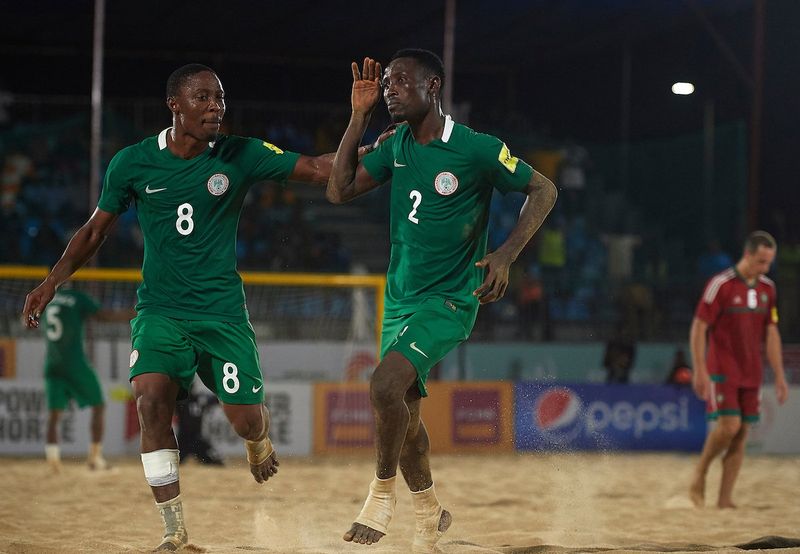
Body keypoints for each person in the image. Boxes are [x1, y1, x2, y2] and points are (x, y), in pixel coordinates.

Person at [22, 63, 351, 551]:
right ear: (174, 105)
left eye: (220, 98)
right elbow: (94, 231)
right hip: (160, 311)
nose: (216, 107)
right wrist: (52, 280)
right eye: (203, 98)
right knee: (150, 401)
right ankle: (174, 532)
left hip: (222, 315)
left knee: (246, 420)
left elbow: (321, 169)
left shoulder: (240, 153)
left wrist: (365, 131)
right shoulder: (132, 163)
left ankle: (257, 439)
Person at [327, 51, 557, 551]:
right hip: (400, 298)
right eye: (386, 83)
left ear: (433, 86)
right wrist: (358, 117)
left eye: (400, 81)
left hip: (451, 299)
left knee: (384, 385)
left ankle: (380, 497)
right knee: (406, 419)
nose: (389, 89)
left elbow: (543, 189)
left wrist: (505, 255)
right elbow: (338, 191)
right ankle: (430, 513)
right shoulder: (396, 144)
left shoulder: (476, 148)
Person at [688, 230, 789, 509]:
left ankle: (724, 499)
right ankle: (700, 472)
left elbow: (772, 333)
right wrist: (699, 368)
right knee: (729, 426)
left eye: (769, 263)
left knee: (742, 433)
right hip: (723, 368)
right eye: (761, 261)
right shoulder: (721, 285)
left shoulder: (768, 289)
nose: (765, 268)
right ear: (747, 255)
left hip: (752, 371)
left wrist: (779, 375)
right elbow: (699, 327)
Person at [41, 284, 132, 473]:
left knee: (54, 414)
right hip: (74, 362)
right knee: (99, 406)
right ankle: (95, 458)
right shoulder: (77, 297)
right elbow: (104, 317)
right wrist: (134, 313)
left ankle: (53, 461)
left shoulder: (46, 299)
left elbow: (27, 322)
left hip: (52, 363)